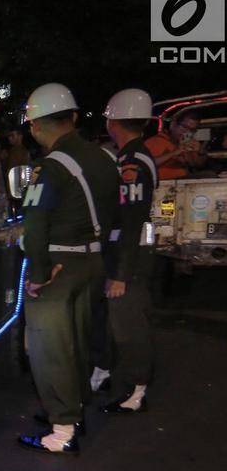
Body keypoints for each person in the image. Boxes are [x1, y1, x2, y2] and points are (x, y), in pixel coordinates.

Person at [16, 84, 119, 455]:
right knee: (76, 342)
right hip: (93, 259)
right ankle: (75, 413)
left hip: (59, 265)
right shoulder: (104, 158)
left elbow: (35, 227)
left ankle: (62, 431)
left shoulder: (50, 167)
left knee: (50, 349)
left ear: (35, 126)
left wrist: (38, 275)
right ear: (73, 117)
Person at [95, 89, 159, 414]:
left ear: (113, 122)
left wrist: (121, 274)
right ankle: (110, 374)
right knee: (114, 322)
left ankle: (136, 391)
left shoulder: (132, 161)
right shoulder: (130, 156)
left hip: (129, 256)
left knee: (129, 325)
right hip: (124, 252)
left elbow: (132, 221)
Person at [145, 111, 208, 180]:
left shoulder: (187, 142)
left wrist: (201, 151)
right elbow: (145, 164)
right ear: (173, 125)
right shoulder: (156, 141)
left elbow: (198, 165)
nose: (187, 132)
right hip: (164, 181)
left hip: (184, 180)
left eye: (192, 130)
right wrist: (174, 153)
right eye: (184, 127)